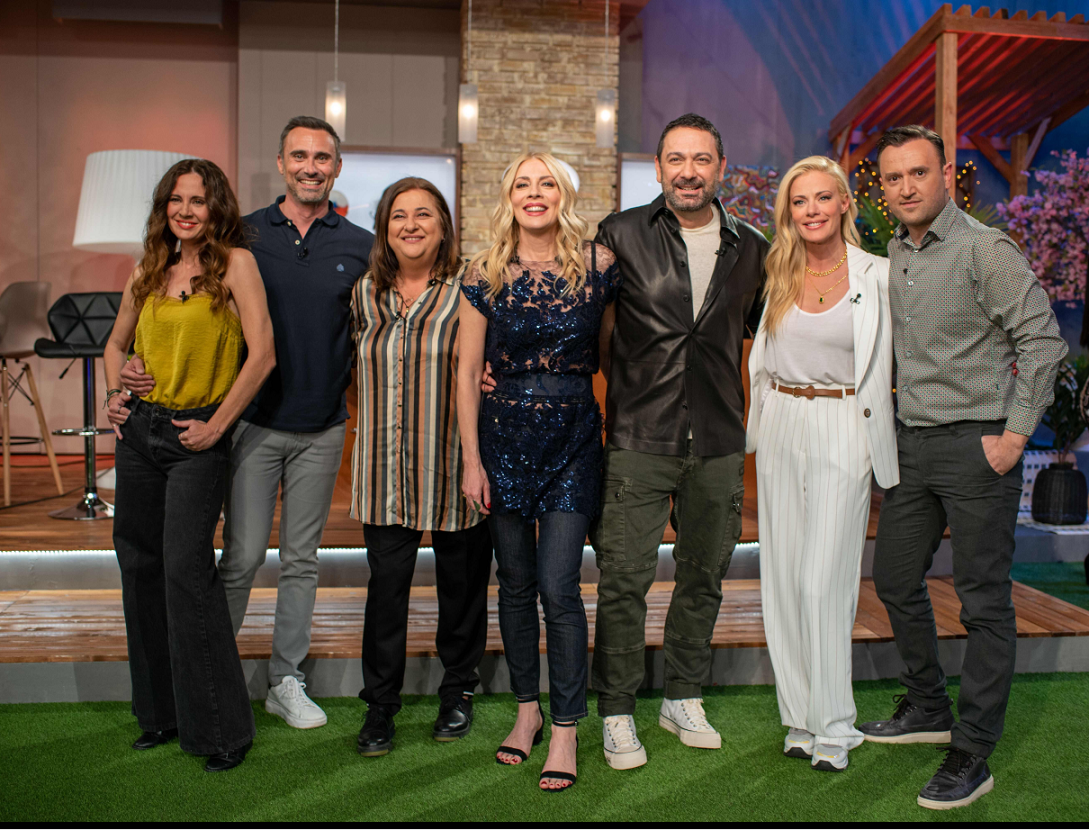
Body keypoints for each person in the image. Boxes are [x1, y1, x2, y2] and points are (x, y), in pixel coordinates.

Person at [122, 116, 375, 730]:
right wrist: (130, 374)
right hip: (250, 423)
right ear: (281, 163)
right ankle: (211, 676)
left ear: (337, 168)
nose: (311, 167)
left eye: (322, 157)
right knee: (238, 558)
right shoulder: (244, 236)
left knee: (302, 560)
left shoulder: (362, 246)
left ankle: (285, 679)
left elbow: (393, 317)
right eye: (299, 156)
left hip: (323, 426)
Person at [862, 125, 1067, 809]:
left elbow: (1042, 342)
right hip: (913, 446)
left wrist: (1014, 438)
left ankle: (972, 749)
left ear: (946, 174)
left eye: (917, 173)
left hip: (980, 445)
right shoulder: (895, 251)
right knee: (894, 578)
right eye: (893, 177)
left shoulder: (984, 248)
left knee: (983, 602)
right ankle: (927, 704)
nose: (905, 187)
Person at [589, 113, 767, 770]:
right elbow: (588, 324)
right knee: (623, 579)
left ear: (720, 167)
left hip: (718, 438)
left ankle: (682, 695)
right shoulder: (620, 234)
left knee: (703, 576)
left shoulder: (752, 247)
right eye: (675, 159)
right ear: (659, 166)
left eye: (701, 159)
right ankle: (616, 709)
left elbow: (768, 335)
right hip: (639, 434)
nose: (688, 172)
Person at [104, 158, 275, 772]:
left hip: (196, 436)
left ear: (215, 208)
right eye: (176, 200)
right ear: (164, 207)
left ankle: (222, 731)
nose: (185, 210)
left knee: (185, 573)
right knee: (139, 567)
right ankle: (159, 715)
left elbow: (263, 355)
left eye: (197, 200)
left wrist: (218, 426)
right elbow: (115, 344)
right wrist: (114, 391)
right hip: (140, 434)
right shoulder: (148, 267)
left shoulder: (235, 265)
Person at [458, 152, 620, 792]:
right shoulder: (484, 271)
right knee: (516, 585)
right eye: (522, 184)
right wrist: (471, 460)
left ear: (563, 195)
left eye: (546, 182)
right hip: (501, 439)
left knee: (560, 587)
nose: (534, 193)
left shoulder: (598, 266)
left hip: (574, 439)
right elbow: (466, 371)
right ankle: (527, 711)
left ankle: (566, 727)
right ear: (509, 197)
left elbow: (612, 353)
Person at [745, 155, 898, 772]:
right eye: (799, 200)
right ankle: (800, 718)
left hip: (844, 422)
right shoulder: (777, 271)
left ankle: (835, 724)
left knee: (824, 579)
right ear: (789, 212)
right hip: (782, 421)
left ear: (843, 204)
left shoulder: (878, 274)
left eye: (822, 197)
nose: (811, 210)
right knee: (782, 577)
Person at [351, 178, 493, 757]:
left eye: (424, 215)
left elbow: (486, 363)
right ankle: (380, 705)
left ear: (443, 226)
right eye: (399, 216)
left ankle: (457, 691)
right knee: (386, 593)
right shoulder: (365, 293)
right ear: (385, 228)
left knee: (462, 590)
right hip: (383, 469)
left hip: (456, 463)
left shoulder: (470, 289)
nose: (411, 226)